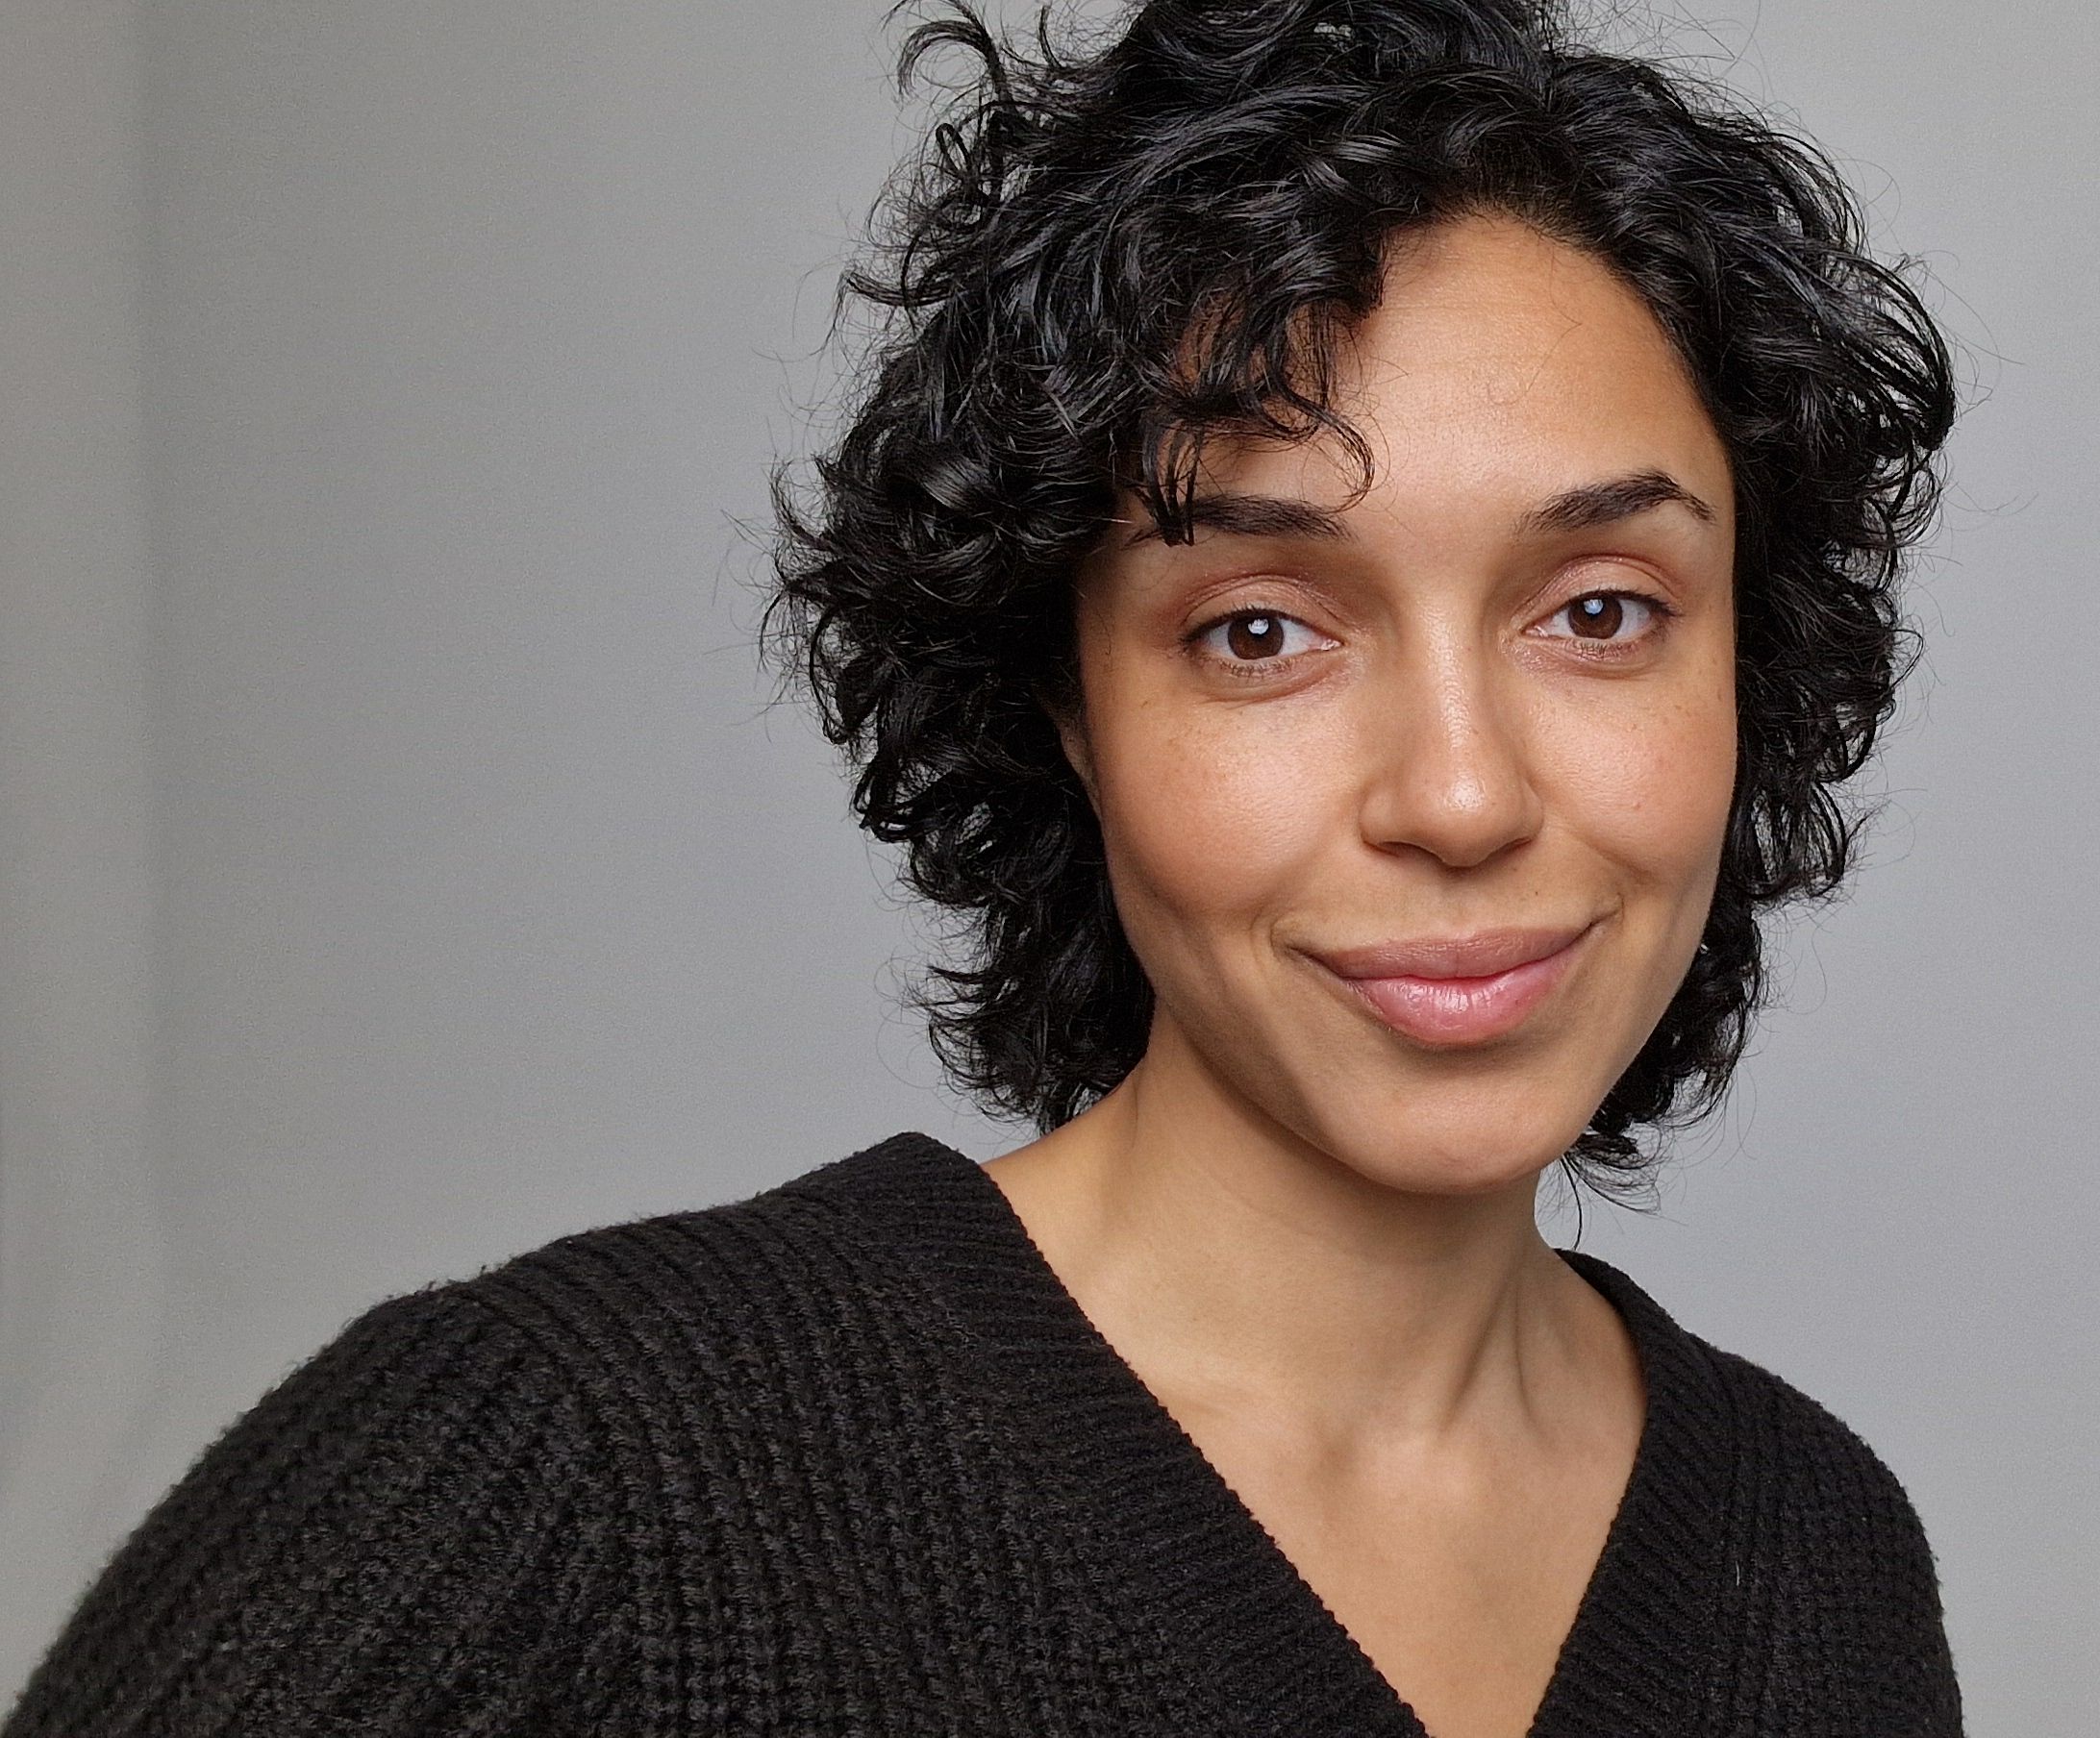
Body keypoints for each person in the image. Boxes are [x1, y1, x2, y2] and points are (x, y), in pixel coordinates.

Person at [4, 0, 1958, 1731]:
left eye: (1602, 610)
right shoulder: (574, 1477)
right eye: (1260, 630)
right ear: (1065, 703)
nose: (1459, 795)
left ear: (1749, 657)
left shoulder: (1814, 1559)